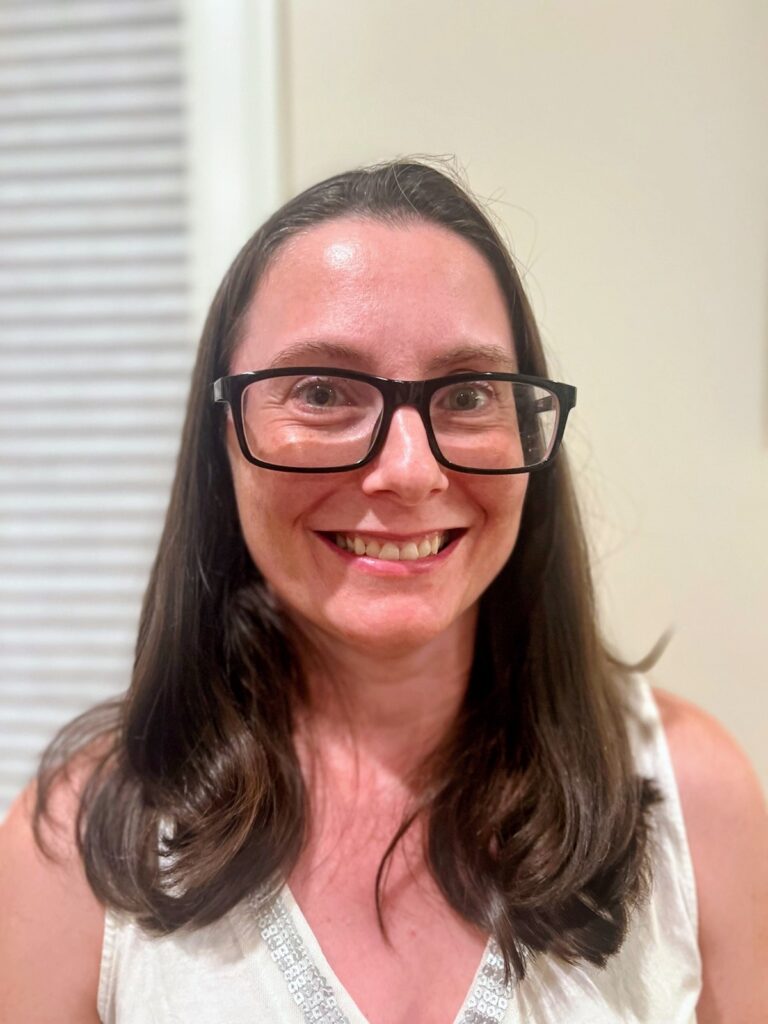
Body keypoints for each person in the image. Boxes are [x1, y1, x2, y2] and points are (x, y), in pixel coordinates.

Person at [1, 160, 766, 1024]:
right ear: (224, 438)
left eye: (468, 394)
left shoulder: (695, 799)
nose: (410, 470)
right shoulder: (73, 851)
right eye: (322, 392)